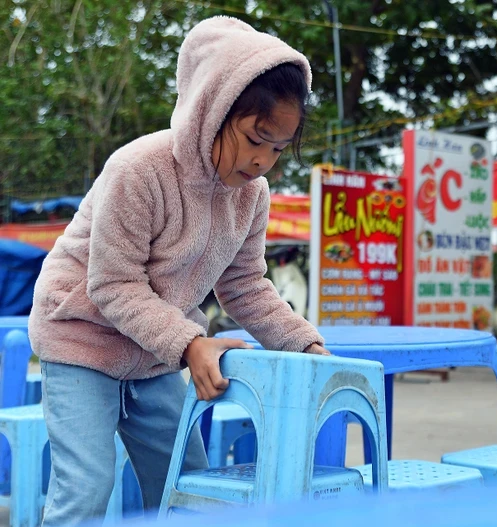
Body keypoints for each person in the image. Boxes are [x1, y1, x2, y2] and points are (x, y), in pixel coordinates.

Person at [28, 16, 330, 525]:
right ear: (213, 111)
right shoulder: (138, 170)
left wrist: (305, 345)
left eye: (277, 149)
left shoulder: (251, 197)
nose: (262, 162)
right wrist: (191, 344)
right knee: (86, 487)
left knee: (186, 488)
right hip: (81, 341)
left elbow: (246, 285)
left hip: (153, 355)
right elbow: (114, 284)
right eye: (255, 138)